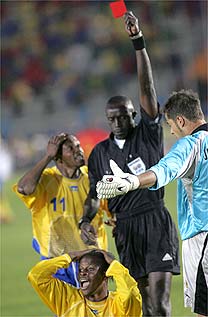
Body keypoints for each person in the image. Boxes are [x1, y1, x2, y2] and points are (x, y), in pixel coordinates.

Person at [79, 11, 180, 316]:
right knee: (144, 306)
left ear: (134, 115)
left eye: (124, 115)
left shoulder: (147, 134)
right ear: (107, 120)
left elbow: (147, 89)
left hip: (155, 222)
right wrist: (86, 219)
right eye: (112, 118)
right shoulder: (99, 153)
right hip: (125, 230)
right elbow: (96, 194)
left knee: (161, 305)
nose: (118, 122)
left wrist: (138, 42)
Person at [97, 89, 208, 317]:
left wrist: (132, 181)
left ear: (180, 120)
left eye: (171, 125)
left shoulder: (190, 144)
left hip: (202, 237)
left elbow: (165, 169)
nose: (172, 131)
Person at [13, 132, 109, 286]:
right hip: (57, 259)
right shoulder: (46, 179)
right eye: (70, 148)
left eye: (78, 146)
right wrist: (47, 157)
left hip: (90, 258)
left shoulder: (93, 177)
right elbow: (24, 188)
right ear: (58, 158)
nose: (78, 150)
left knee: (96, 308)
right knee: (64, 309)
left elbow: (111, 209)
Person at [28, 249, 143, 317]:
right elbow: (36, 276)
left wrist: (114, 265)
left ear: (105, 275)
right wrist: (69, 257)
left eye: (91, 269)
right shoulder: (68, 299)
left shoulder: (119, 306)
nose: (83, 274)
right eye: (81, 270)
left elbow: (129, 294)